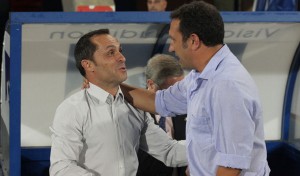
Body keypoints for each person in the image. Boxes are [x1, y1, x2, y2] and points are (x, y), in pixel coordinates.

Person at [121, 1, 270, 176]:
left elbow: (230, 167)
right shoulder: (200, 76)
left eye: (173, 40)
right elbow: (160, 102)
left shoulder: (226, 85)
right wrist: (110, 85)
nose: (170, 47)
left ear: (193, 41)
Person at [49, 29, 187, 176]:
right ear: (88, 65)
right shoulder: (72, 109)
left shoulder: (135, 107)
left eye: (120, 51)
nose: (122, 58)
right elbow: (61, 169)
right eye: (111, 52)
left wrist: (212, 148)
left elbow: (169, 152)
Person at [137, 54, 187, 176]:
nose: (179, 95)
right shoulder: (135, 111)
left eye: (181, 88)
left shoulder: (189, 106)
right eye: (172, 90)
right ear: (151, 84)